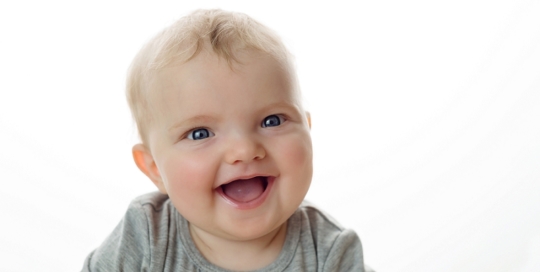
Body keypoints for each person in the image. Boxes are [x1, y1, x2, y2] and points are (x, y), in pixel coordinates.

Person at [83, 9, 373, 272]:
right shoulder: (146, 237)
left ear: (307, 130)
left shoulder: (331, 253)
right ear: (154, 168)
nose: (244, 150)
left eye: (272, 121)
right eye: (200, 133)